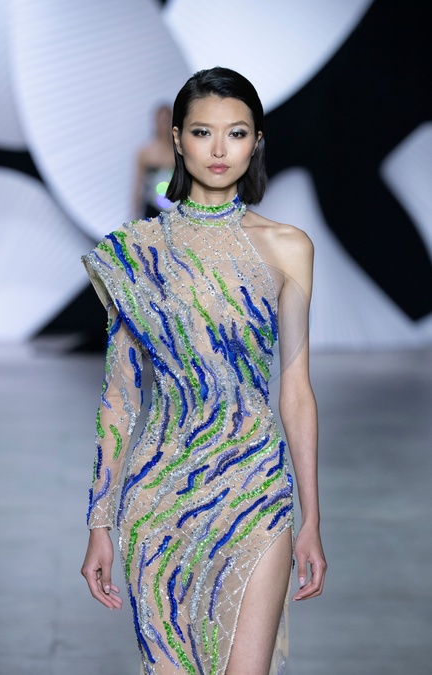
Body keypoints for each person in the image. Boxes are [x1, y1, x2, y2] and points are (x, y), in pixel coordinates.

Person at [81, 66, 327, 675]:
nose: (219, 150)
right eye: (202, 132)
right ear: (177, 138)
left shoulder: (288, 246)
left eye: (236, 133)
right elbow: (120, 396)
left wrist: (312, 519)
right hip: (158, 496)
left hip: (255, 488)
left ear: (256, 142)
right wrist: (99, 521)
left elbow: (296, 391)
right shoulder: (135, 251)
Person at [132, 103, 176, 220]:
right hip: (152, 209)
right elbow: (138, 186)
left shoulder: (181, 151)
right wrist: (134, 215)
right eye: (161, 121)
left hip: (175, 210)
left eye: (167, 121)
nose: (164, 125)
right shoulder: (145, 152)